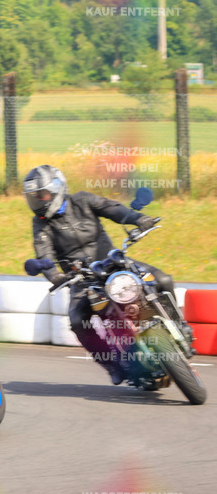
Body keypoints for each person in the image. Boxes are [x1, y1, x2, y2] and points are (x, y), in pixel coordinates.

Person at [22, 164, 182, 384]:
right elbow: (44, 253)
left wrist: (138, 219)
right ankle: (113, 364)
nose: (39, 201)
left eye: (42, 194)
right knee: (78, 321)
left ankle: (179, 325)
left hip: (113, 262)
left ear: (58, 188)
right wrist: (55, 276)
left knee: (162, 279)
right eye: (34, 197)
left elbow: (113, 209)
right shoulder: (41, 224)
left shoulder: (82, 201)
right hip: (82, 278)